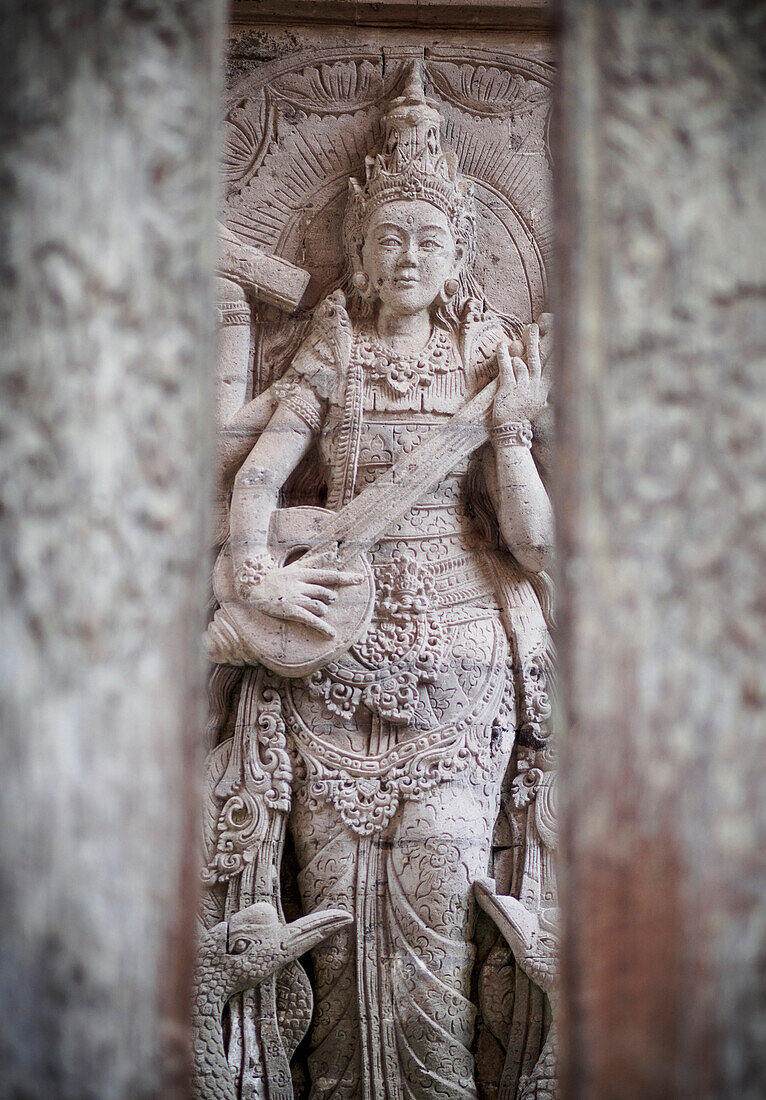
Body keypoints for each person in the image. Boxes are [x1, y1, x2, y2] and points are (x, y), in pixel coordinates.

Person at [205, 66, 554, 1100]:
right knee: (336, 916)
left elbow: (530, 541)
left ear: (462, 253)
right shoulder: (336, 340)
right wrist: (259, 567)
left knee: (438, 901)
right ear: (358, 248)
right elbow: (262, 471)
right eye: (390, 235)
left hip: (460, 661)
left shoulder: (483, 350)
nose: (409, 254)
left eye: (430, 238)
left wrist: (512, 427)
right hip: (332, 660)